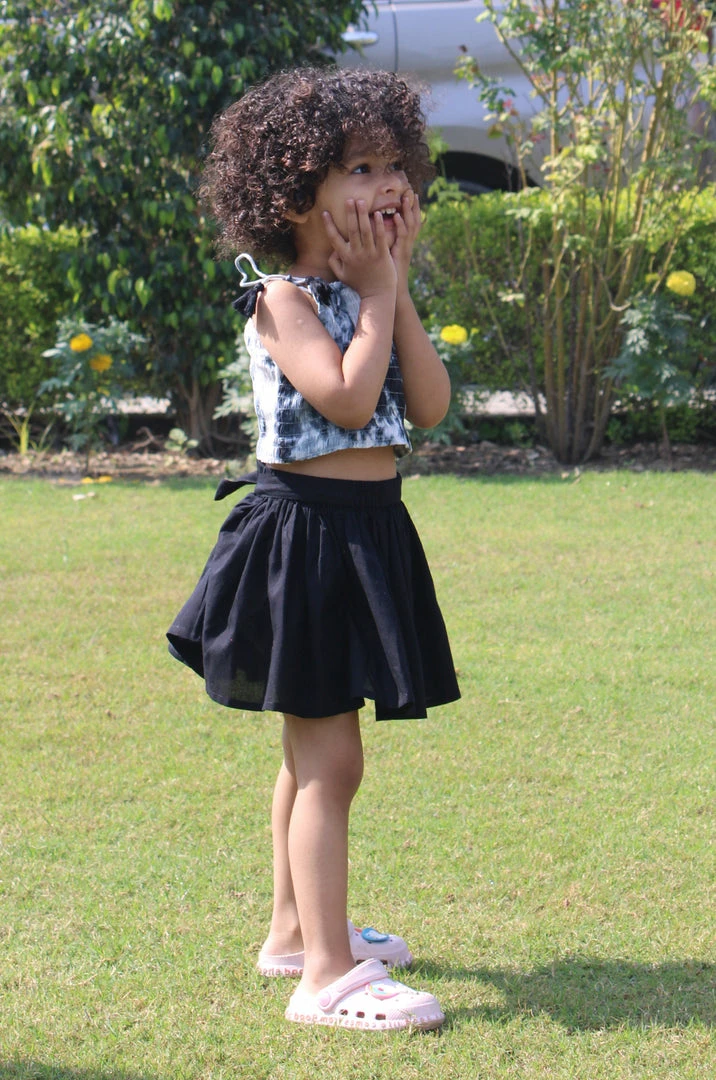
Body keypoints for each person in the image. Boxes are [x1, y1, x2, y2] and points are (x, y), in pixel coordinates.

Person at [167, 67, 460, 1032]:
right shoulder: (282, 299)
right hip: (304, 540)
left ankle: (294, 935)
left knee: (309, 757)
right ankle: (327, 978)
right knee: (332, 762)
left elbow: (427, 405)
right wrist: (374, 293)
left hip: (367, 531)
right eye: (358, 168)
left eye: (393, 164)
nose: (387, 183)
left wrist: (391, 291)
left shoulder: (372, 290)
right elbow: (344, 396)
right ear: (294, 196)